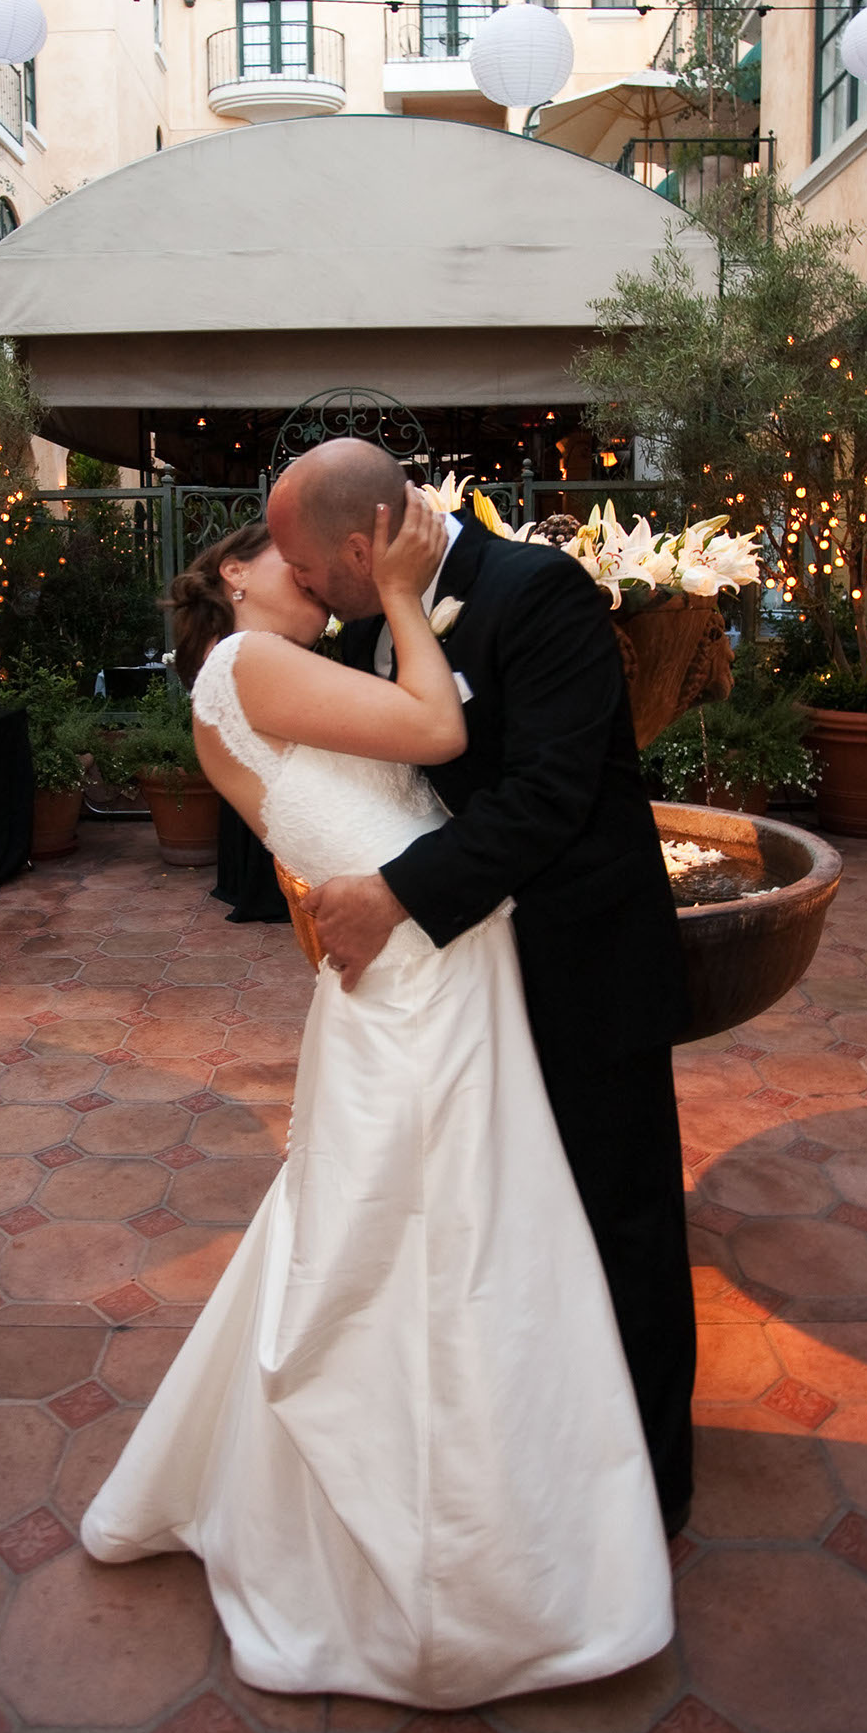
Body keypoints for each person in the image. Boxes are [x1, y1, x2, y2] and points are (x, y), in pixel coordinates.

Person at [80, 494, 672, 1708]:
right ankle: (470, 1531)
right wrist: (402, 601)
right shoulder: (255, 659)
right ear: (240, 576)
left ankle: (575, 1487)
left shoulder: (345, 641)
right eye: (283, 561)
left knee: (493, 1229)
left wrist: (374, 888)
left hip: (468, 966)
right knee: (446, 1243)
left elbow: (487, 782)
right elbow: (433, 739)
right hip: (420, 988)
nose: (307, 576)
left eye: (311, 556)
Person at [275, 444, 698, 1536]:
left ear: (361, 548)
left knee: (620, 1224)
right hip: (464, 995)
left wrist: (397, 895)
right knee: (513, 1233)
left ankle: (649, 1493)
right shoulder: (372, 627)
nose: (308, 596)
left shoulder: (536, 590)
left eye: (313, 573)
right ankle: (542, 1459)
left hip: (582, 968)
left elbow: (550, 795)